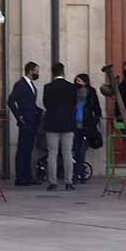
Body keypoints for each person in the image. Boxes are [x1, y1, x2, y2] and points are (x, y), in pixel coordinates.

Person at [43, 63, 78, 191]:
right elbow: (74, 104)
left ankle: (53, 182)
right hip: (68, 123)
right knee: (68, 153)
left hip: (52, 123)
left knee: (52, 153)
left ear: (52, 73)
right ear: (63, 72)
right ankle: (69, 182)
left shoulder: (48, 87)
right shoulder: (71, 87)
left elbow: (46, 104)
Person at [7, 61, 42, 186]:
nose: (38, 73)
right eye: (36, 71)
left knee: (28, 149)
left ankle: (28, 175)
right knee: (22, 149)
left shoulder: (31, 84)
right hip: (25, 121)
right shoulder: (21, 84)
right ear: (30, 71)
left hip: (32, 120)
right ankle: (20, 177)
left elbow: (30, 103)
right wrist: (19, 116)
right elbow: (11, 101)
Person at [73, 73, 102, 185]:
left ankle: (78, 174)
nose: (77, 83)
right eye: (76, 81)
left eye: (79, 81)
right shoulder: (72, 92)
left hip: (86, 125)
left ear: (85, 82)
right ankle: (78, 173)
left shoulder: (91, 92)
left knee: (81, 151)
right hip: (74, 125)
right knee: (76, 150)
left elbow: (96, 108)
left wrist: (95, 120)